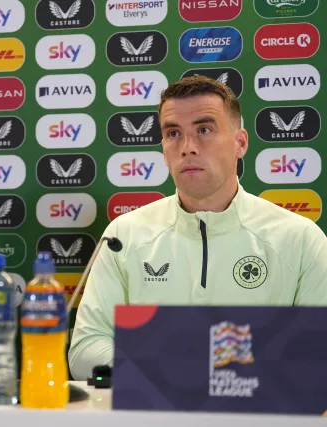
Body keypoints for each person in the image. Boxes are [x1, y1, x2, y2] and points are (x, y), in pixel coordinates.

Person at [68, 75, 327, 380]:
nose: (188, 147)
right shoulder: (123, 236)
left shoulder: (300, 239)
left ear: (240, 143)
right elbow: (85, 352)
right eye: (173, 133)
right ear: (163, 148)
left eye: (204, 130)